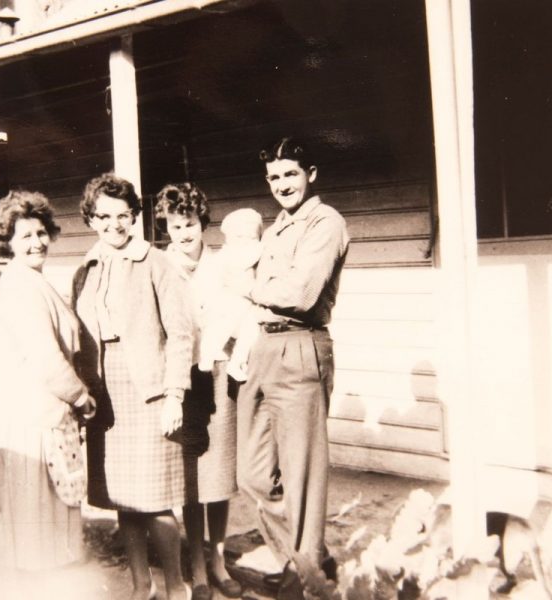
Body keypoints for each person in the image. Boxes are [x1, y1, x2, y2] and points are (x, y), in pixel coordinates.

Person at [235, 137, 349, 600]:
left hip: (301, 344)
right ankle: (309, 559)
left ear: (311, 174)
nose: (282, 184)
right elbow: (271, 287)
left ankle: (303, 578)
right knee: (252, 473)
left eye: (291, 174)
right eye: (274, 177)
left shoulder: (326, 221)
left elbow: (300, 293)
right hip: (265, 346)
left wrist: (248, 281)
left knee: (301, 471)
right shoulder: (276, 229)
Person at [72, 173, 193, 600]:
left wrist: (174, 393)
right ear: (91, 219)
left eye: (123, 216)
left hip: (149, 389)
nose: (114, 225)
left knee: (156, 497)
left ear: (135, 217)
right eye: (104, 216)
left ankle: (177, 587)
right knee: (124, 498)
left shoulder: (156, 262)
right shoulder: (84, 269)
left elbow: (181, 333)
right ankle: (143, 586)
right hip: (105, 390)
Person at [0, 190, 97, 594]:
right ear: (9, 244)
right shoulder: (20, 285)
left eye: (40, 233)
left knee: (43, 525)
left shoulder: (33, 281)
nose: (36, 242)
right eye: (24, 237)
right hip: (32, 421)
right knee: (38, 525)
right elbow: (45, 356)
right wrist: (81, 396)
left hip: (42, 416)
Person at [155, 183, 241, 600]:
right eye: (175, 225)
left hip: (220, 370)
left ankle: (219, 557)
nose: (184, 233)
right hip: (184, 376)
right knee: (191, 473)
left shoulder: (223, 264)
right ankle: (196, 564)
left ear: (202, 223)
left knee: (219, 471)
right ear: (166, 226)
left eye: (189, 223)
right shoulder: (160, 265)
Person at [197, 207, 264, 381]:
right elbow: (210, 280)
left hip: (249, 307)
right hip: (227, 303)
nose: (245, 241)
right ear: (228, 238)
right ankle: (208, 354)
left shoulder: (259, 253)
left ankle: (237, 362)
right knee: (219, 326)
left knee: (251, 332)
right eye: (239, 237)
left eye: (251, 237)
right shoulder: (223, 256)